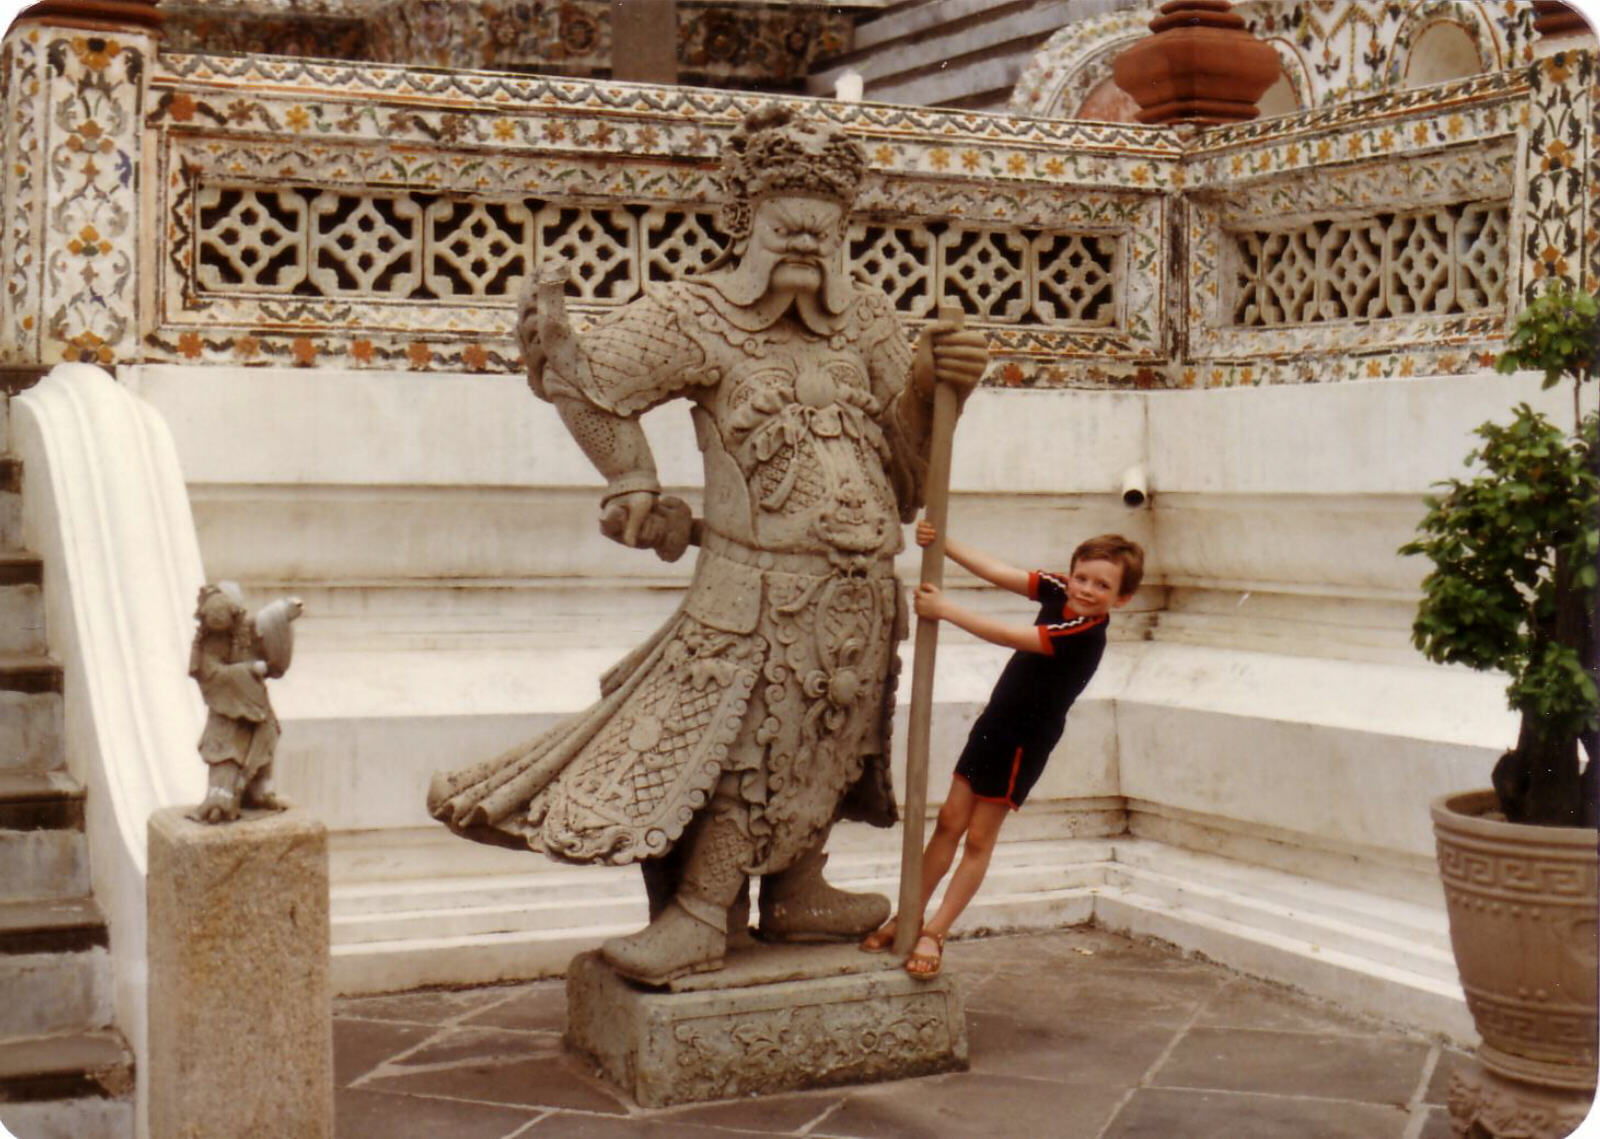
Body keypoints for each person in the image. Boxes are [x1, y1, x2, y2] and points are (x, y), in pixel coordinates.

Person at [427, 105, 990, 986]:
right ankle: (699, 912)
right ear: (745, 218)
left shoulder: (870, 323)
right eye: (784, 218)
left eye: (824, 223)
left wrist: (934, 380)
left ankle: (799, 890)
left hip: (857, 589)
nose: (806, 236)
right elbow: (588, 383)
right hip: (753, 589)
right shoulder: (695, 316)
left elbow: (909, 469)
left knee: (833, 739)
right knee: (744, 747)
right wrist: (634, 485)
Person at [862, 521, 1143, 978]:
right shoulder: (1060, 591)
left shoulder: (1084, 632)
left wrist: (945, 610)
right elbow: (1000, 572)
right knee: (948, 823)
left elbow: (1011, 637)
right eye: (1083, 577)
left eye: (1103, 586)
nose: (1087, 589)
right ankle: (907, 916)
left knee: (978, 838)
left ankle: (936, 931)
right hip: (994, 724)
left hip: (1023, 742)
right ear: (1071, 573)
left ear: (1121, 598)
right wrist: (944, 544)